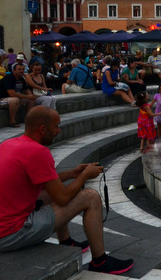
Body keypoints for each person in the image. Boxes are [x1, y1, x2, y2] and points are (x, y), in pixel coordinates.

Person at [0, 106, 134, 274]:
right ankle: (100, 261)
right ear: (43, 129)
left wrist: (72, 173)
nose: (58, 130)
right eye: (56, 126)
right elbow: (63, 198)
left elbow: (44, 181)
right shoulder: (38, 152)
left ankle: (66, 242)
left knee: (51, 191)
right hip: (11, 234)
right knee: (90, 197)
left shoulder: (10, 144)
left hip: (3, 226)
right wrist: (84, 176)